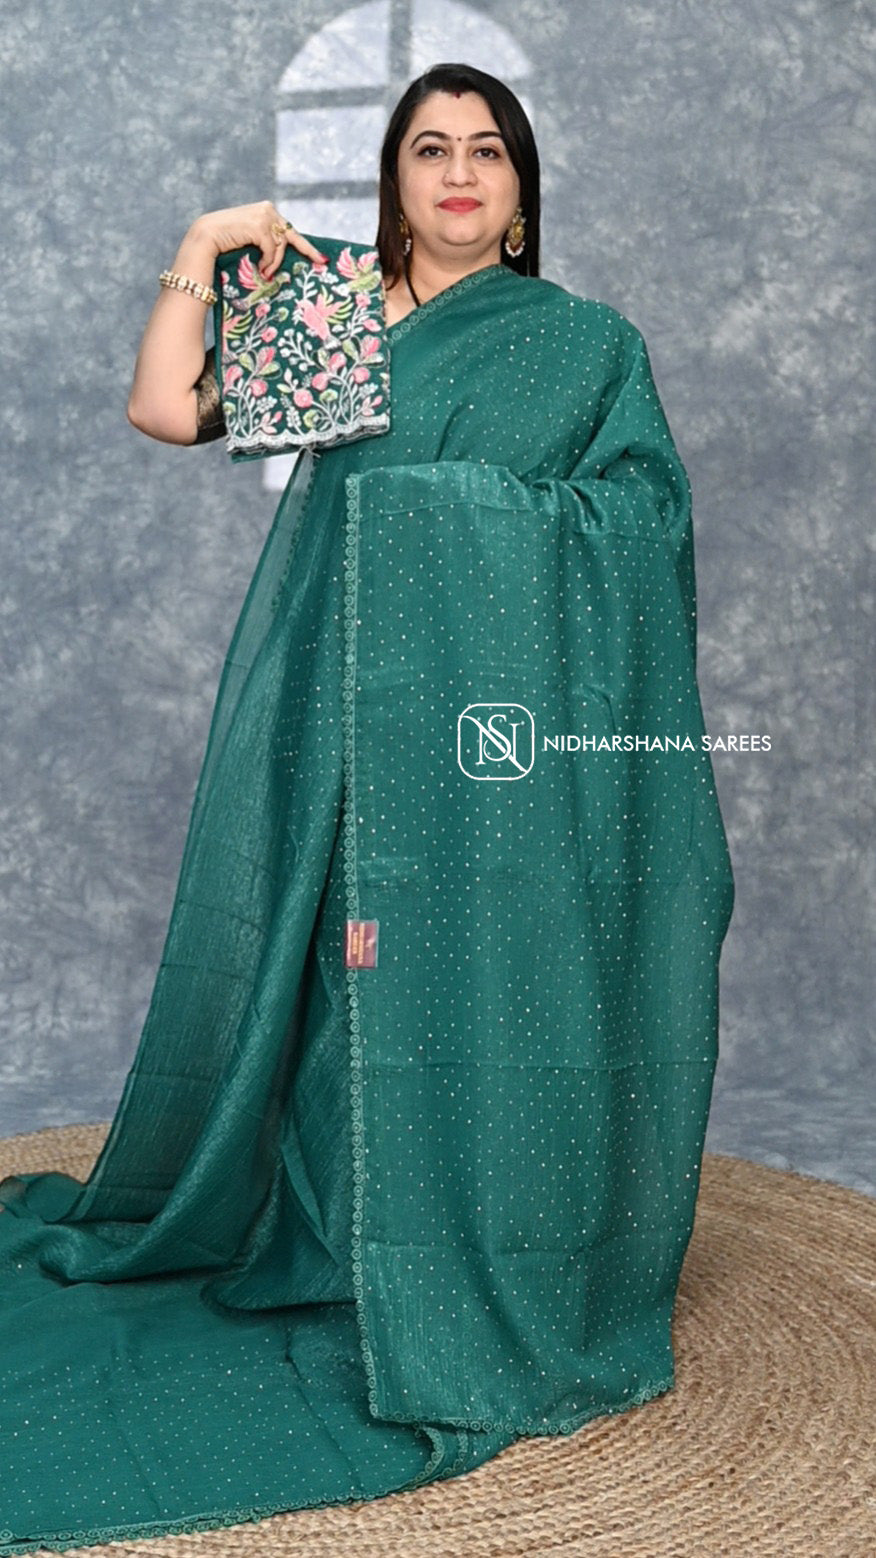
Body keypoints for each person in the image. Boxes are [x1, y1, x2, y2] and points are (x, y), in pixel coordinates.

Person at [0, 62, 734, 1553]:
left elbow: (643, 525)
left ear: (520, 194)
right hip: (338, 716)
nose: (459, 171)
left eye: (488, 151)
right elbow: (163, 407)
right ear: (394, 182)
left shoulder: (586, 346)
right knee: (345, 990)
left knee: (482, 987)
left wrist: (452, 516)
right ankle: (344, 1255)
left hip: (491, 741)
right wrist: (202, 248)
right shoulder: (341, 315)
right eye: (429, 149)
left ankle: (480, 1255)